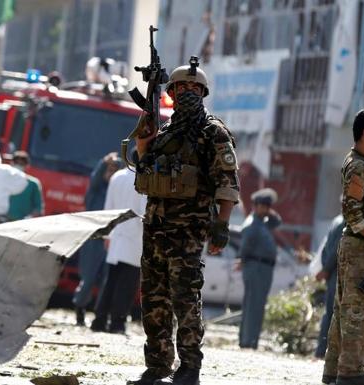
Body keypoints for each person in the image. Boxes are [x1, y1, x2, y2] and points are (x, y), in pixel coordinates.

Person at [128, 58, 239, 385]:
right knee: (153, 300)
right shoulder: (164, 133)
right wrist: (143, 142)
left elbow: (228, 181)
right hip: (156, 230)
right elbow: (144, 168)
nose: (188, 92)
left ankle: (190, 367)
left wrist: (222, 223)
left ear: (203, 93)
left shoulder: (213, 132)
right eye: (182, 88)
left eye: (195, 88)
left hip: (188, 233)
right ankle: (158, 365)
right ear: (171, 93)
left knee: (185, 300)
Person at [322, 109, 364, 385]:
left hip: (359, 246)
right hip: (360, 246)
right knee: (356, 311)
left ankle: (334, 372)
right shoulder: (358, 166)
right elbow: (352, 210)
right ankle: (350, 374)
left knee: (345, 309)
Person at [90, 166, 146, 334]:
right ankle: (117, 323)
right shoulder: (145, 178)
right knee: (127, 284)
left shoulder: (117, 176)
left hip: (116, 236)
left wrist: (107, 235)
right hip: (135, 238)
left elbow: (109, 207)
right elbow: (145, 212)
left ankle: (99, 319)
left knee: (110, 281)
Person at [73, 152, 122, 326]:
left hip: (112, 240)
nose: (111, 173)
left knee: (106, 281)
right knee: (88, 278)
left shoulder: (118, 191)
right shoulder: (96, 190)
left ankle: (100, 315)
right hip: (94, 239)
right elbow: (95, 179)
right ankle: (80, 308)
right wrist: (103, 162)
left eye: (115, 169)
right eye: (109, 169)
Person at [236, 188, 282, 349]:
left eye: (268, 206)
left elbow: (278, 222)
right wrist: (242, 260)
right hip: (255, 266)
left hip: (264, 268)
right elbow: (245, 248)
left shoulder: (263, 222)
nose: (266, 209)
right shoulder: (252, 224)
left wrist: (269, 213)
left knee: (257, 304)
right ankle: (248, 342)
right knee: (253, 305)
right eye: (263, 205)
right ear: (255, 206)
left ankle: (250, 340)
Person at [314, 213, 345, 358]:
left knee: (330, 312)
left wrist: (325, 268)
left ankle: (322, 350)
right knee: (334, 314)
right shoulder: (345, 222)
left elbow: (326, 249)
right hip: (337, 272)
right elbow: (335, 250)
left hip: (332, 272)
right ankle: (325, 351)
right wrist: (326, 269)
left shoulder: (336, 220)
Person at [7, 151, 44, 220]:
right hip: (2, 222)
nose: (19, 165)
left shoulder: (33, 184)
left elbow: (38, 208)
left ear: (27, 165)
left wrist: (28, 219)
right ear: (12, 164)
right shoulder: (4, 180)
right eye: (17, 163)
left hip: (22, 225)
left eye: (22, 164)